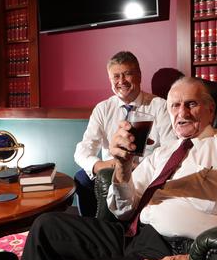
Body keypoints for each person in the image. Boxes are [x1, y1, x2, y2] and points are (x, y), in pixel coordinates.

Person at [14, 77, 217, 260]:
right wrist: (123, 168)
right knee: (46, 225)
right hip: (133, 235)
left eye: (191, 104)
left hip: (178, 248)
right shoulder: (162, 152)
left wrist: (198, 258)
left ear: (210, 109)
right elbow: (123, 210)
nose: (182, 112)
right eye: (174, 105)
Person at [73, 51, 175, 217]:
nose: (121, 81)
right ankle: (92, 229)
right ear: (110, 79)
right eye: (116, 76)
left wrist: (139, 165)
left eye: (127, 74)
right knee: (82, 178)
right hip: (110, 169)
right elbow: (83, 149)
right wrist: (100, 166)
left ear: (139, 76)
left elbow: (170, 148)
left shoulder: (160, 106)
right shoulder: (103, 109)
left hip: (145, 169)